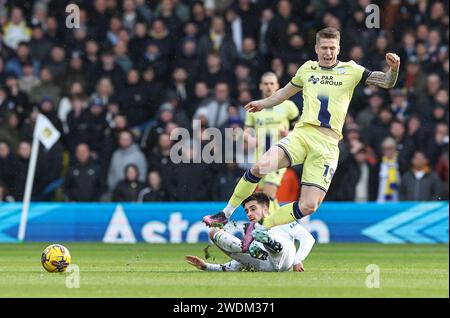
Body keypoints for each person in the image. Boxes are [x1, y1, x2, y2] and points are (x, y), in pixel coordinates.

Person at [203, 27, 400, 251]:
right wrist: (262, 103)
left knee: (309, 205)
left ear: (339, 48)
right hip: (303, 134)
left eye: (332, 48)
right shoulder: (307, 69)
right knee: (260, 166)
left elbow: (386, 82)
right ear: (316, 48)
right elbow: (283, 93)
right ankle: (225, 213)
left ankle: (260, 227)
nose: (328, 52)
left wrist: (394, 69)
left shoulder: (351, 70)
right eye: (324, 48)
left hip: (327, 144)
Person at [186, 193, 315, 272]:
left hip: (285, 258)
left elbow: (308, 239)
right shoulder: (251, 231)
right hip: (264, 265)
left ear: (265, 209)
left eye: (253, 209)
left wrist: (297, 260)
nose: (249, 214)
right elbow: (238, 264)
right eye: (247, 211)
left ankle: (270, 242)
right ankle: (262, 244)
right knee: (213, 233)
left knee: (282, 245)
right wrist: (206, 266)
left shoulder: (282, 220)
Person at [242, 72, 299, 211]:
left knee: (268, 193)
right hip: (259, 157)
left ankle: (270, 227)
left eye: (272, 83)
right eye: (266, 84)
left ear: (278, 86)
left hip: (279, 156)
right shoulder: (254, 108)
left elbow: (301, 129)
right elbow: (246, 131)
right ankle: (272, 226)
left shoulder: (288, 106)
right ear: (261, 86)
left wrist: (289, 134)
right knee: (263, 197)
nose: (269, 86)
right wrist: (249, 139)